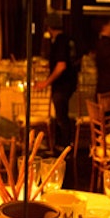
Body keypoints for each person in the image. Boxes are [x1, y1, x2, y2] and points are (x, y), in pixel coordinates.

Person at [35, 13, 78, 150]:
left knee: (61, 117)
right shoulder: (67, 39)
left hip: (62, 85)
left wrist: (45, 83)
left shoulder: (59, 41)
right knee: (61, 116)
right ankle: (62, 145)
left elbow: (61, 65)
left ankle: (64, 147)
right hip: (69, 83)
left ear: (49, 28)